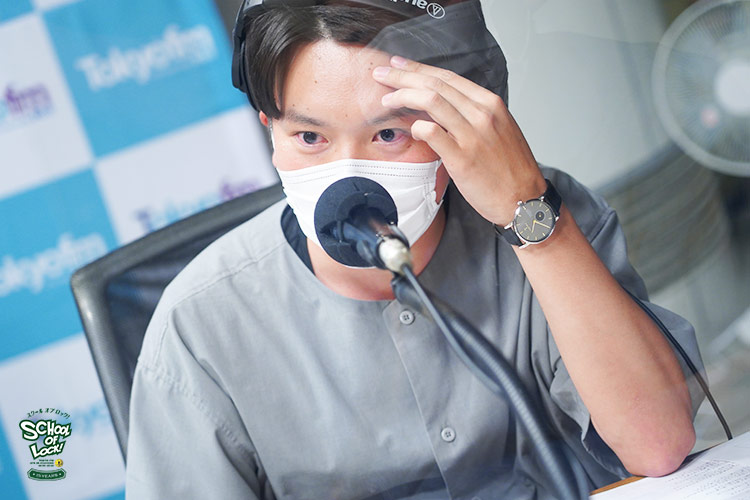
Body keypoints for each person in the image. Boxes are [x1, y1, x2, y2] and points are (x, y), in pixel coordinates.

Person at [125, 1, 705, 498]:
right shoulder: (197, 328)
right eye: (309, 137)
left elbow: (657, 445)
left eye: (389, 134)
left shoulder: (545, 216)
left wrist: (530, 217)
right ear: (268, 130)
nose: (347, 176)